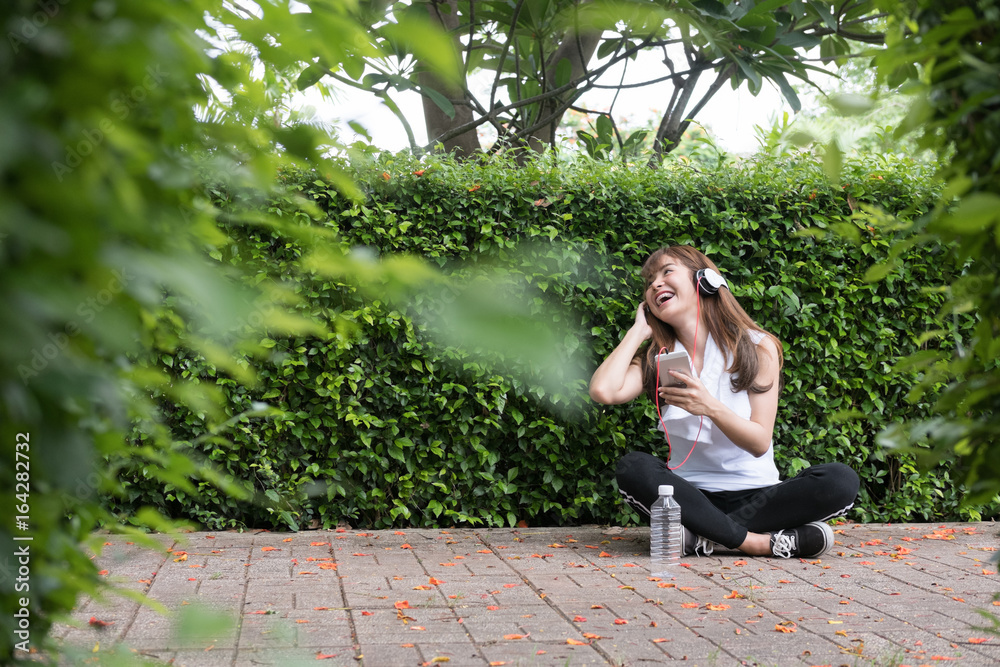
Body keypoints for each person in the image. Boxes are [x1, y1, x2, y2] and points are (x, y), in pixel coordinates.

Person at [589, 245, 859, 558]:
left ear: (704, 280)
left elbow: (759, 442)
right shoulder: (657, 358)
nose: (655, 285)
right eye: (649, 282)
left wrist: (709, 406)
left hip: (758, 498)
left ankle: (700, 537)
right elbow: (603, 392)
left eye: (666, 272)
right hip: (690, 497)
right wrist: (637, 332)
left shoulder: (757, 347)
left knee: (840, 480)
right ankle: (755, 542)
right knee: (633, 467)